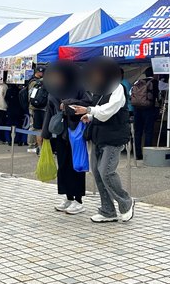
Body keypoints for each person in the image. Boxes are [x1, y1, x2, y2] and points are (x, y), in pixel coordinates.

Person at [72, 57, 134, 224]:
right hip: (98, 135)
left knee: (106, 171)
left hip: (114, 137)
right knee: (98, 173)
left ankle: (126, 203)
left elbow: (109, 109)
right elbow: (100, 111)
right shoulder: (99, 90)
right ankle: (107, 210)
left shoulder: (118, 88)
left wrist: (89, 110)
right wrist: (89, 116)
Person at [41, 60, 87, 215]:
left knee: (76, 166)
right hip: (59, 132)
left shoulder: (79, 86)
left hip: (75, 131)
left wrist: (68, 103)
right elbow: (49, 111)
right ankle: (68, 197)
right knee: (63, 165)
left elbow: (88, 103)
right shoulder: (53, 89)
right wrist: (44, 134)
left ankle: (78, 200)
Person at [130, 68, 159, 160]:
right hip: (149, 109)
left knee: (138, 132)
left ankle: (137, 154)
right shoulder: (154, 82)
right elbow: (156, 96)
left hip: (137, 109)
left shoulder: (138, 82)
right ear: (154, 74)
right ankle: (147, 154)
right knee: (148, 131)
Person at [27, 64, 47, 154]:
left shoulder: (36, 81)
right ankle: (31, 144)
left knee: (35, 126)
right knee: (33, 126)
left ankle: (34, 144)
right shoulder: (34, 82)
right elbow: (31, 95)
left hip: (36, 106)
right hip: (34, 106)